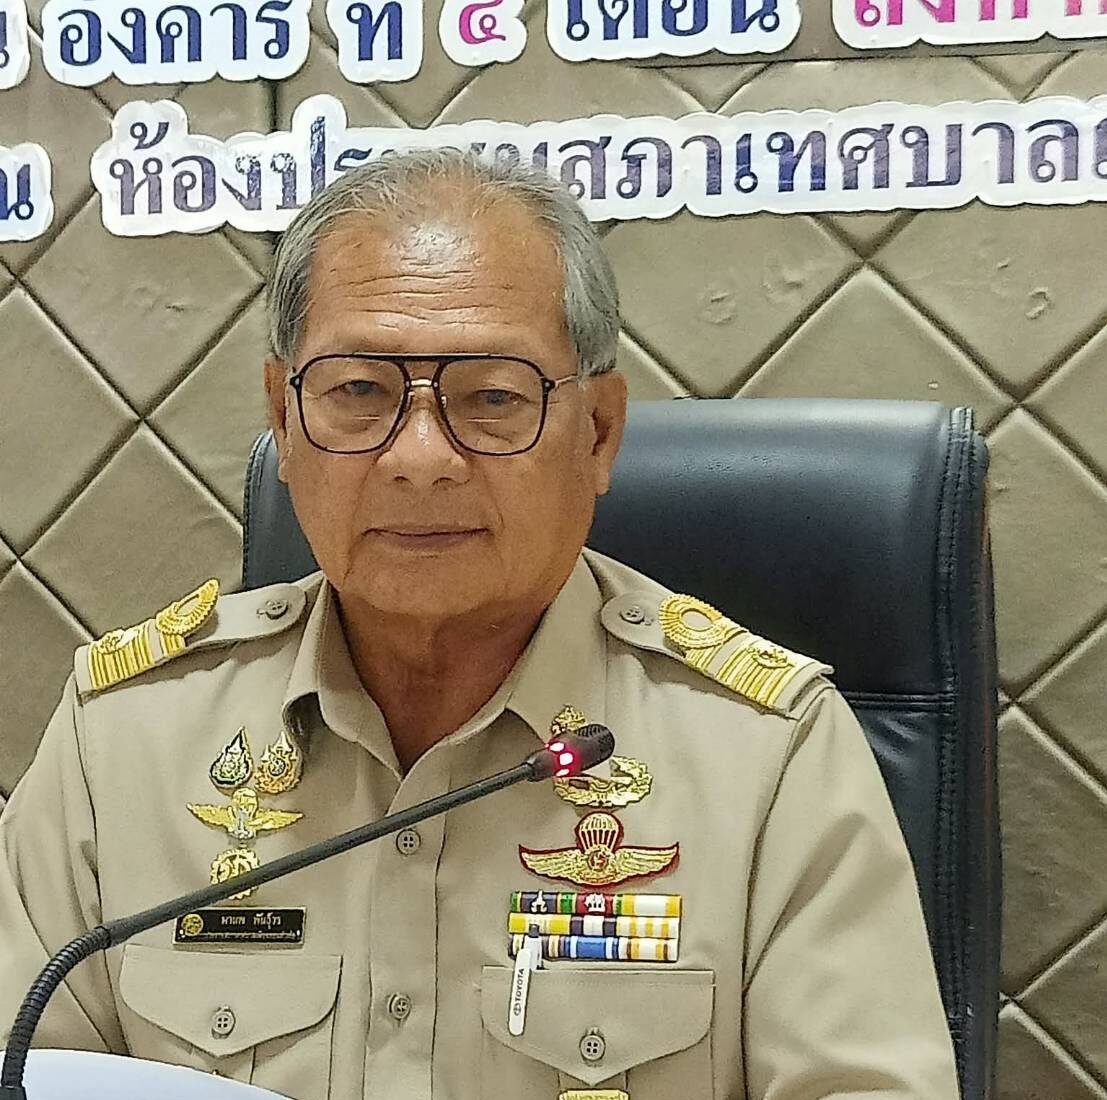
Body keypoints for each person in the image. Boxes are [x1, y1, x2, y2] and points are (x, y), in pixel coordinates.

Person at [0, 149, 960, 1100]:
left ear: (598, 432)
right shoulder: (119, 741)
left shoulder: (766, 754)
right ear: (284, 424)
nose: (419, 458)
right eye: (359, 392)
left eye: (492, 397)